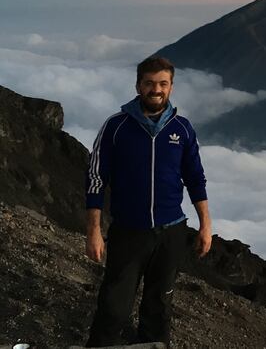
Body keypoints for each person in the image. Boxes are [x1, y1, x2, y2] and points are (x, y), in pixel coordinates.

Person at [84, 56, 212, 347]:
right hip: (128, 231)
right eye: (150, 83)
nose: (156, 89)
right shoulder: (116, 126)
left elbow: (195, 178)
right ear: (138, 86)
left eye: (163, 84)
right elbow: (95, 179)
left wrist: (205, 225)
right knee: (114, 306)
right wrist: (93, 230)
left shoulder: (182, 128)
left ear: (171, 87)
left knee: (159, 306)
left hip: (172, 232)